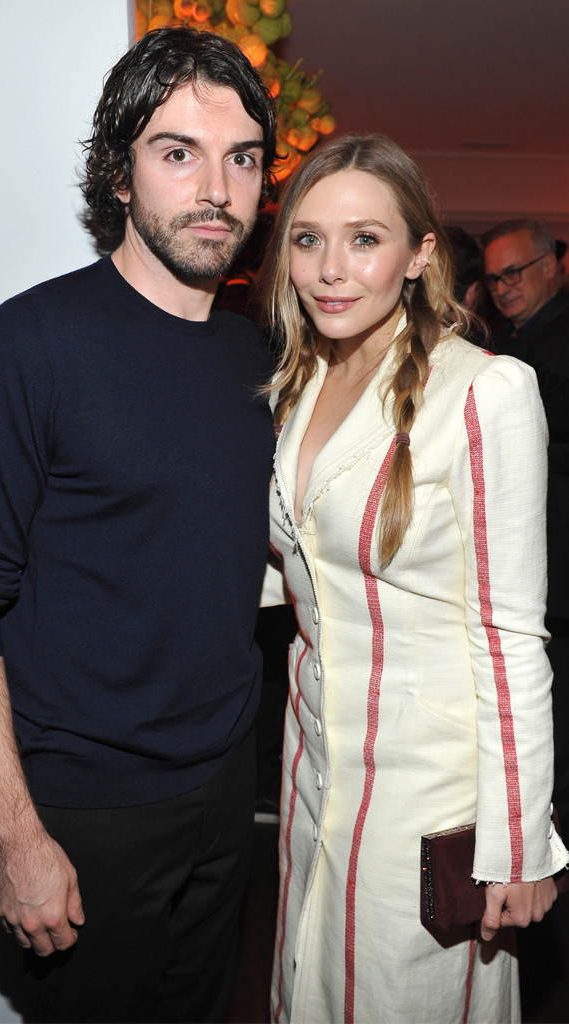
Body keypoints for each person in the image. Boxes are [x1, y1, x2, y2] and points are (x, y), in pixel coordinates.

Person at [0, 27, 277, 1024]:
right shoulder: (29, 345)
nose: (216, 186)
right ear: (120, 176)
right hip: (83, 812)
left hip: (222, 788)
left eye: (241, 158)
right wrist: (11, 834)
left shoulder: (253, 359)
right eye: (178, 153)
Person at [258, 134, 567, 1023]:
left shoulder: (486, 391)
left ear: (419, 255)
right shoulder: (302, 379)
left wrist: (518, 845)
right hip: (313, 769)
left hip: (429, 802)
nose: (331, 269)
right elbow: (304, 568)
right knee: (305, 987)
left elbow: (510, 633)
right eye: (308, 239)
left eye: (365, 238)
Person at [482, 220, 569, 835]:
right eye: (492, 278)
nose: (501, 287)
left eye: (512, 272)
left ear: (550, 265)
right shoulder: (519, 339)